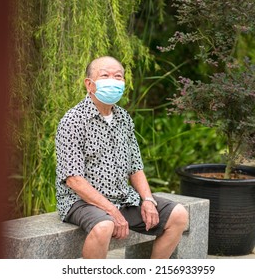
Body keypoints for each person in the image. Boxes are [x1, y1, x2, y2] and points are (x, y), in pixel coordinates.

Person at [55, 56, 188, 259]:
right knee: (104, 225)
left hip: (122, 197)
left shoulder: (123, 118)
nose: (113, 81)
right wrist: (112, 212)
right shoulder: (73, 120)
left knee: (178, 215)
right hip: (81, 202)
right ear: (89, 84)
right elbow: (74, 180)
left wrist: (148, 200)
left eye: (118, 76)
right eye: (105, 75)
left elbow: (135, 167)